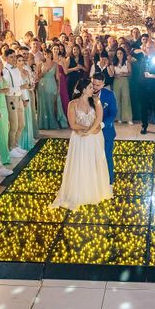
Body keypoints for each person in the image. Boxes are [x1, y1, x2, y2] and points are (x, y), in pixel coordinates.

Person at [52, 78, 112, 209]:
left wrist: (90, 131)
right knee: (81, 163)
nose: (93, 89)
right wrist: (84, 130)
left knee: (94, 162)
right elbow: (73, 124)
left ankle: (95, 190)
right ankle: (80, 191)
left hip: (94, 137)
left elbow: (99, 119)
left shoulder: (96, 101)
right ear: (84, 89)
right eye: (91, 87)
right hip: (79, 138)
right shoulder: (72, 104)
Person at [92, 72, 117, 186]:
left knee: (107, 155)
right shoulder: (87, 93)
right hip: (91, 133)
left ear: (103, 84)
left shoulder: (109, 95)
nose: (94, 87)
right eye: (93, 84)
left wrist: (102, 124)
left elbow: (113, 113)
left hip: (106, 131)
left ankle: (109, 181)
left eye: (97, 85)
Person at [2, 48, 27, 157]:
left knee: (22, 124)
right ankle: (11, 147)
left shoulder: (16, 69)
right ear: (6, 58)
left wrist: (24, 97)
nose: (13, 59)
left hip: (18, 97)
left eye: (14, 56)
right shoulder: (5, 71)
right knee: (14, 125)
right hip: (11, 99)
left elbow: (21, 84)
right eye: (11, 57)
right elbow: (7, 88)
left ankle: (16, 145)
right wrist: (20, 87)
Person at [37, 49, 68, 130]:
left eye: (49, 54)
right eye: (45, 54)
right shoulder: (40, 64)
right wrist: (43, 72)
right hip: (42, 86)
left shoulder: (55, 64)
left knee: (52, 104)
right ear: (44, 55)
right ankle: (44, 124)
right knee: (44, 104)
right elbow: (37, 77)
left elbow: (58, 78)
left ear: (51, 55)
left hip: (52, 84)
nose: (47, 56)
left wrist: (58, 89)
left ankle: (53, 123)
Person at [139, 45, 155, 136]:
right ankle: (144, 126)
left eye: (151, 47)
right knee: (144, 108)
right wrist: (143, 78)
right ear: (145, 49)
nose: (149, 49)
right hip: (144, 87)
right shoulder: (143, 59)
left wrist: (151, 75)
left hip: (154, 87)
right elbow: (140, 73)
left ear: (154, 49)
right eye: (147, 47)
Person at [112, 47, 132, 124]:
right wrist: (115, 75)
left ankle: (128, 118)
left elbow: (130, 73)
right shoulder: (114, 63)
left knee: (126, 98)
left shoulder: (127, 62)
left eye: (121, 53)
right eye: (118, 53)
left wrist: (124, 74)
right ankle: (118, 117)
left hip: (124, 80)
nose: (119, 55)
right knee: (116, 99)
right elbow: (111, 73)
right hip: (116, 81)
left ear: (123, 54)